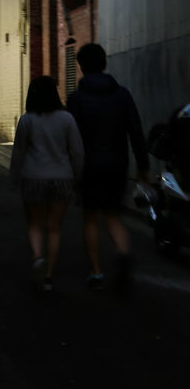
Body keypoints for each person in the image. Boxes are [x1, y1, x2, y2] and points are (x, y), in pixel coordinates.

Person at [66, 42, 149, 292]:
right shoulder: (122, 94)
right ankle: (123, 253)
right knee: (113, 214)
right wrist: (142, 166)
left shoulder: (76, 99)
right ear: (104, 63)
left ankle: (97, 272)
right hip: (117, 164)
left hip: (89, 167)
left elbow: (70, 138)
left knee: (91, 218)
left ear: (81, 67)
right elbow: (135, 131)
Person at [10, 76, 84, 292]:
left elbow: (18, 151)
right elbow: (77, 152)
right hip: (62, 178)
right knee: (54, 228)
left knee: (34, 224)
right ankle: (49, 276)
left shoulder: (27, 119)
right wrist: (78, 178)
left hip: (33, 177)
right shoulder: (67, 119)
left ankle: (37, 258)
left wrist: (14, 176)